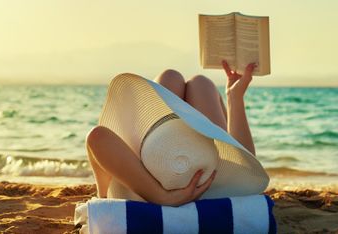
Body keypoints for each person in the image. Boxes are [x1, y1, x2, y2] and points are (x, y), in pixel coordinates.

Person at [86, 61, 257, 207]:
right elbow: (249, 168)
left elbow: (97, 137)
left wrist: (162, 197)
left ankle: (104, 193)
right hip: (210, 184)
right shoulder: (219, 188)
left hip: (150, 185)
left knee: (171, 77)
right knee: (200, 83)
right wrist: (235, 97)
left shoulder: (140, 186)